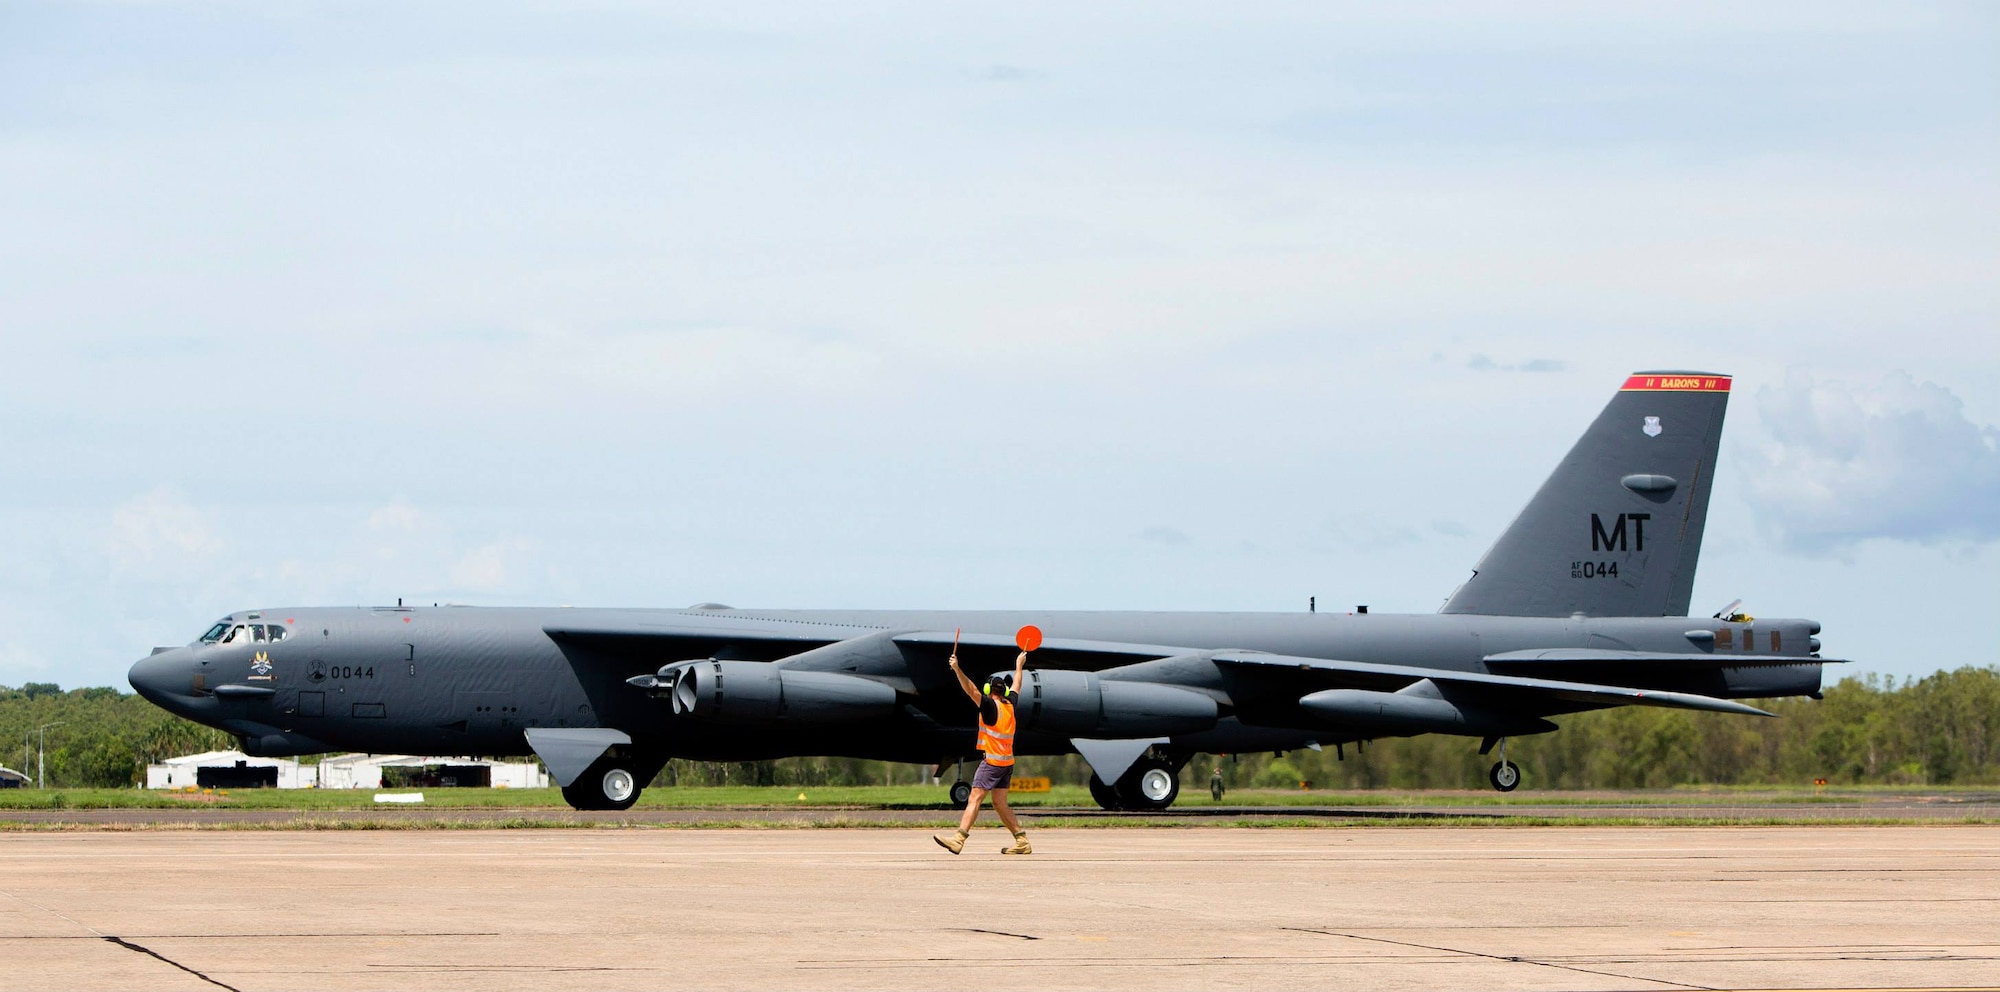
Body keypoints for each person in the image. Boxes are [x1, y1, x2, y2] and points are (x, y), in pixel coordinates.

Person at [934, 648, 1031, 855]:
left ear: (989, 689)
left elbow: (971, 690)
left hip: (993, 763)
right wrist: (1019, 665)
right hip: (1007, 763)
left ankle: (959, 839)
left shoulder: (989, 706)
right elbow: (1017, 684)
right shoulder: (1010, 705)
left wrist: (956, 668)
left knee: (975, 798)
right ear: (1003, 691)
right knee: (999, 803)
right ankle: (1022, 841)